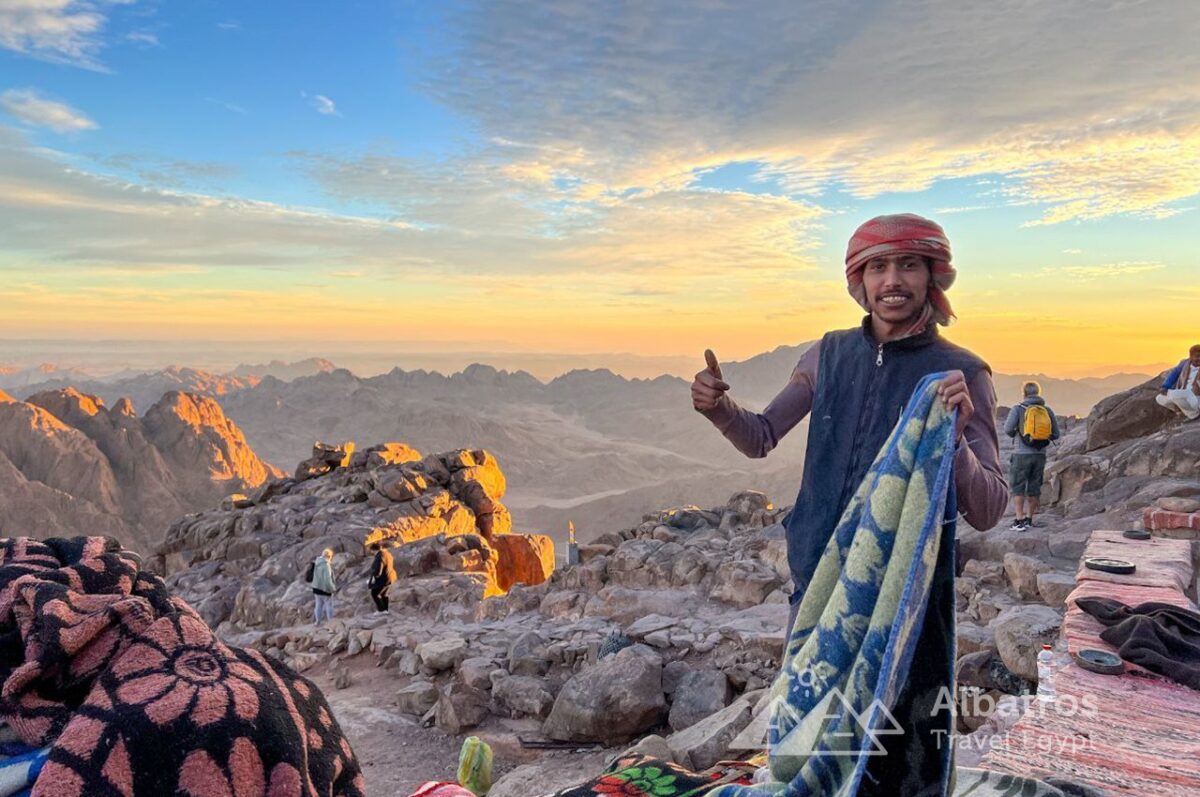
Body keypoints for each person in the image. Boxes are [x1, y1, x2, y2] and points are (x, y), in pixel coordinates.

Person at [692, 213, 1006, 796]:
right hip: (817, 579)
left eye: (909, 264)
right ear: (858, 280)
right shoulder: (828, 354)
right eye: (878, 266)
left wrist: (956, 438)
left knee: (897, 747)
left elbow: (988, 506)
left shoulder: (962, 371)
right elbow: (761, 436)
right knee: (811, 733)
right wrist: (717, 410)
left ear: (932, 277)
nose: (893, 280)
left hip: (903, 597)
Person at [1003, 381, 1061, 530]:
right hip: (1039, 455)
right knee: (1034, 486)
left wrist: (1019, 434)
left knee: (1018, 486)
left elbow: (1008, 428)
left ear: (1024, 393)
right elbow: (1055, 434)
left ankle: (1019, 520)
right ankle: (1029, 518)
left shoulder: (1018, 409)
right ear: (1038, 393)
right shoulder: (1047, 410)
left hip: (1021, 454)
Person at [1155, 345, 1200, 420]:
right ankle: (1182, 411)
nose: (1199, 359)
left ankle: (1194, 414)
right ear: (1191, 356)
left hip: (1195, 396)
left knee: (1176, 395)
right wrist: (1165, 386)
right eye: (1197, 356)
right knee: (1160, 398)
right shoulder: (1185, 364)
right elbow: (1174, 374)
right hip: (1182, 392)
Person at [367, 542, 396, 612]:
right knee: (384, 594)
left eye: (371, 550)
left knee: (374, 593)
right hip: (391, 577)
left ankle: (382, 610)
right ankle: (386, 610)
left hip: (383, 579)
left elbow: (378, 571)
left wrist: (373, 579)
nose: (371, 552)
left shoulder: (379, 557)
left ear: (373, 550)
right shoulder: (388, 554)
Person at [311, 548, 336, 625]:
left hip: (316, 587)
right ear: (329, 556)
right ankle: (331, 622)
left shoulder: (316, 562)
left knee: (318, 605)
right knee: (329, 605)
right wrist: (332, 589)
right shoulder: (326, 565)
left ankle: (317, 621)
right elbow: (327, 579)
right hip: (325, 589)